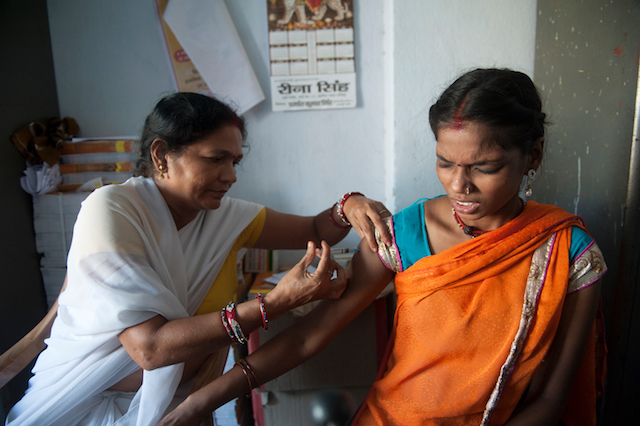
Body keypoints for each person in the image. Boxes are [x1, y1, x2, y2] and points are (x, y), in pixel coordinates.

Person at [158, 69, 608, 426]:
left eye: (484, 167)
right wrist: (200, 402)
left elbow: (550, 400)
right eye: (444, 162)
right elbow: (308, 336)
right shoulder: (405, 232)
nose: (459, 185)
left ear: (532, 155)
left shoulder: (567, 254)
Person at [4, 92, 392, 426]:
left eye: (234, 162)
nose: (230, 176)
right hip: (78, 408)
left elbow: (314, 227)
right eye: (215, 159)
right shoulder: (111, 212)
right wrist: (275, 303)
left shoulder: (226, 218)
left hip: (177, 408)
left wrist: (348, 205)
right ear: (161, 155)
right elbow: (150, 350)